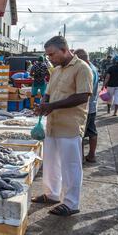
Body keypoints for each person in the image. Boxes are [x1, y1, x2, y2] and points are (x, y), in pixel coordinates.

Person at [32, 36, 93, 217]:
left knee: (70, 166)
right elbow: (48, 94)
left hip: (70, 126)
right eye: (47, 55)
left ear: (65, 50)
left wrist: (52, 106)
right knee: (51, 163)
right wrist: (44, 104)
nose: (49, 58)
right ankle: (51, 194)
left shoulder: (82, 68)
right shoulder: (56, 70)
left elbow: (83, 96)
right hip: (52, 125)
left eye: (52, 54)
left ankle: (71, 203)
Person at [74, 49, 100, 163]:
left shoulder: (86, 69)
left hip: (86, 107)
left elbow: (83, 93)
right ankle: (91, 155)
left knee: (80, 135)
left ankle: (80, 159)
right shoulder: (94, 67)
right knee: (92, 131)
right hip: (92, 106)